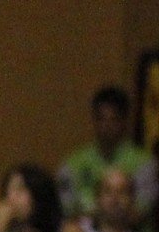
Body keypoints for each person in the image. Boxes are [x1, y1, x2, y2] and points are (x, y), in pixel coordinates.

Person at [63, 86, 156, 224]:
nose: (106, 126)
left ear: (124, 121)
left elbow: (139, 213)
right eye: (101, 119)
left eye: (113, 119)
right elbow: (69, 213)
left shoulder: (145, 164)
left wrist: (94, 215)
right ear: (94, 120)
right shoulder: (73, 164)